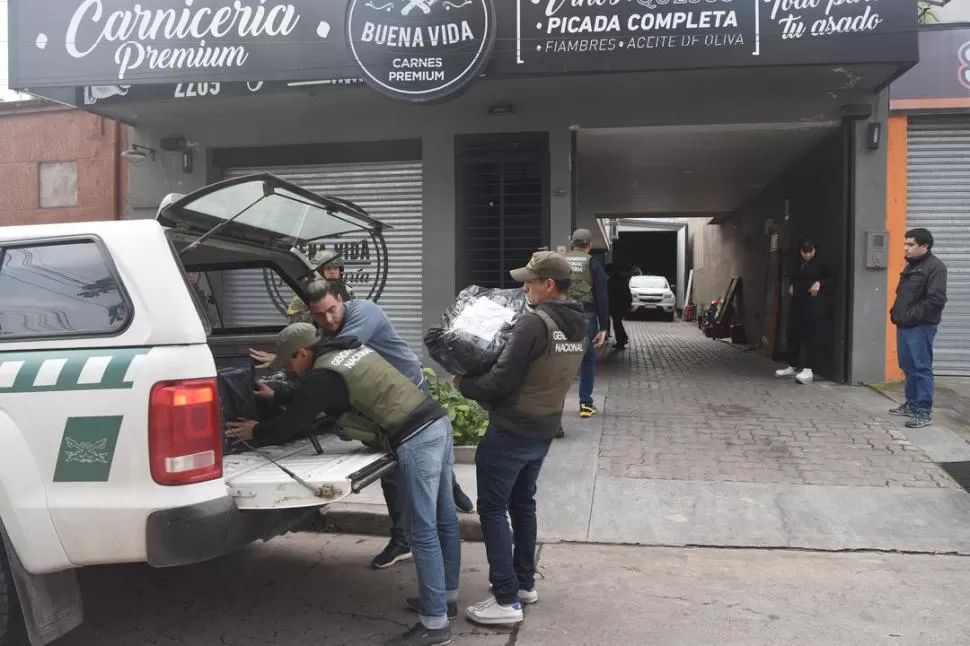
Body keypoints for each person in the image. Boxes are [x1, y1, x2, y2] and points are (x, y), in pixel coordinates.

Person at [229, 323, 460, 646]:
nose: (290, 371)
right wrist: (279, 393)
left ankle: (434, 625)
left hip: (416, 438)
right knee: (445, 519)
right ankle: (446, 601)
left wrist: (256, 431)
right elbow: (328, 393)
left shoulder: (322, 374)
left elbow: (292, 423)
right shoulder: (345, 352)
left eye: (290, 363)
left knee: (422, 531)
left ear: (304, 352)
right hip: (436, 422)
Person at [251, 281, 475, 571]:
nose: (328, 319)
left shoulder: (364, 313)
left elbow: (332, 363)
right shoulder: (325, 333)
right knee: (420, 467)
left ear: (342, 300)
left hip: (407, 395)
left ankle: (408, 543)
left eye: (332, 310)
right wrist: (289, 367)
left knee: (405, 475)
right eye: (319, 315)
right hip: (383, 403)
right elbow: (324, 378)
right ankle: (439, 505)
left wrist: (291, 357)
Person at [456, 251, 587, 627]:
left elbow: (500, 380)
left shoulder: (534, 324)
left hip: (512, 429)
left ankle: (504, 599)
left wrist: (465, 384)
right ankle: (525, 584)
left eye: (530, 280)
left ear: (549, 285)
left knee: (494, 510)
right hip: (543, 429)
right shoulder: (578, 324)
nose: (523, 286)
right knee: (522, 504)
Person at [889, 228, 948, 429]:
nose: (906, 248)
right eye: (905, 244)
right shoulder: (911, 266)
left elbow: (936, 300)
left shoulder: (935, 267)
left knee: (921, 368)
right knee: (908, 366)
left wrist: (910, 315)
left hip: (920, 327)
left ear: (925, 246)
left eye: (911, 244)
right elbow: (903, 295)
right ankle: (912, 404)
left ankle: (923, 412)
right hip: (905, 326)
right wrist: (896, 313)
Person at [563, 229, 609, 418]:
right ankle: (585, 405)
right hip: (586, 314)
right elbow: (601, 296)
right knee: (587, 358)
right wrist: (604, 327)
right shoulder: (593, 263)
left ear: (571, 243)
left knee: (561, 359)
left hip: (562, 313)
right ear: (589, 246)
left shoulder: (560, 261)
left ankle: (556, 408)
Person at [774, 238, 831, 385]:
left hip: (813, 303)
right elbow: (794, 276)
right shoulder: (797, 262)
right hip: (797, 302)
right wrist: (792, 284)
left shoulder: (821, 263)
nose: (806, 255)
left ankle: (809, 369)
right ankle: (792, 365)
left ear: (814, 250)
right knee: (792, 332)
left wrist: (819, 283)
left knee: (810, 335)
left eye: (809, 252)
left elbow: (831, 278)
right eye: (804, 252)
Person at [287, 249, 355, 323]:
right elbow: (293, 320)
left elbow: (354, 316)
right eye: (328, 268)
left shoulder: (348, 291)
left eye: (335, 268)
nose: (332, 272)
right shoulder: (308, 291)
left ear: (340, 270)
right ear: (320, 271)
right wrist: (319, 313)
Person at [606, 263, 632, 350]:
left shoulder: (611, 281)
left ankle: (622, 340)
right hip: (621, 304)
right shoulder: (623, 279)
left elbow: (609, 293)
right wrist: (629, 303)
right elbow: (628, 292)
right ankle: (622, 340)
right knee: (617, 322)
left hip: (615, 305)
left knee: (617, 322)